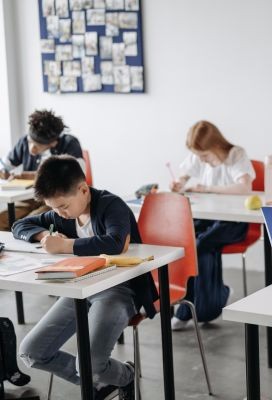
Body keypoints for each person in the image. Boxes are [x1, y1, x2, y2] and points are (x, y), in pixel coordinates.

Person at [12, 155, 158, 400]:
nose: (59, 214)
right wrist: (43, 238)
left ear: (82, 189)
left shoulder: (112, 206)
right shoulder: (62, 214)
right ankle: (100, 383)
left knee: (89, 363)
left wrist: (64, 246)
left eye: (63, 206)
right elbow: (20, 225)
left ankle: (125, 376)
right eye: (54, 209)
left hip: (120, 289)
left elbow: (115, 243)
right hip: (80, 289)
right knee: (31, 352)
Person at [169, 120, 255, 330]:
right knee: (188, 242)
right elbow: (184, 175)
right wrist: (179, 183)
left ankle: (191, 309)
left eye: (205, 156)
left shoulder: (236, 154)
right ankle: (212, 299)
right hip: (208, 218)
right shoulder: (199, 156)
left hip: (235, 222)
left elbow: (245, 187)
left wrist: (208, 188)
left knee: (201, 244)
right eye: (199, 156)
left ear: (216, 145)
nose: (202, 161)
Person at [0, 109, 84, 231]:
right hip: (29, 198)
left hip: (55, 201)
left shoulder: (69, 144)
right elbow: (5, 164)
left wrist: (26, 175)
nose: (31, 149)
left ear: (53, 143)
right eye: (30, 141)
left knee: (26, 224)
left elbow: (77, 177)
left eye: (37, 145)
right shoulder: (24, 142)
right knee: (2, 220)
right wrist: (4, 171)